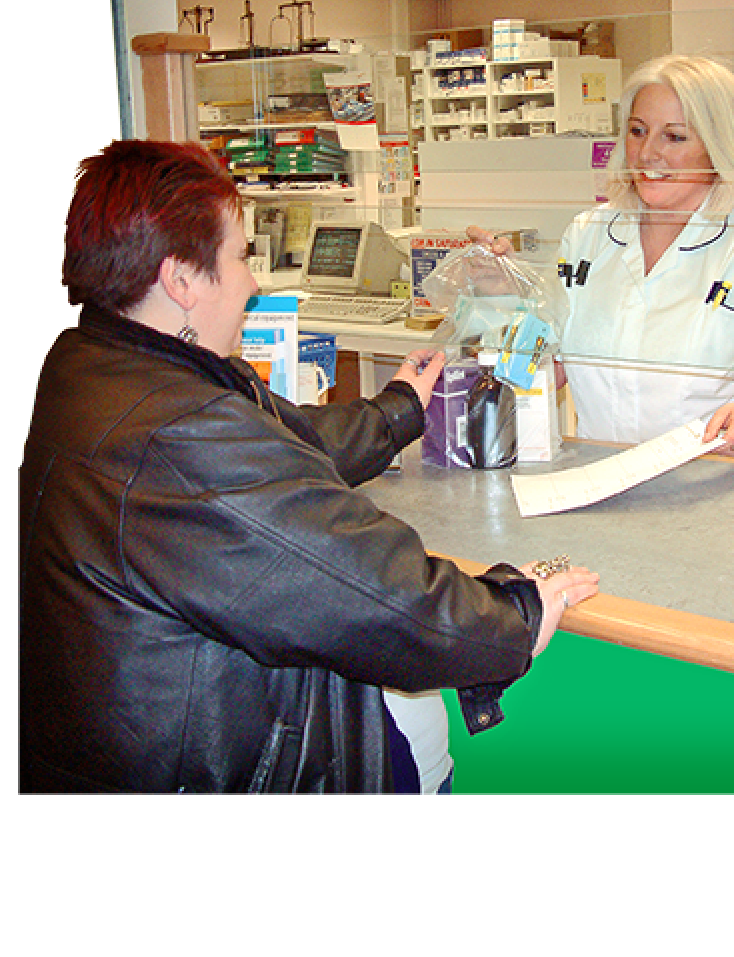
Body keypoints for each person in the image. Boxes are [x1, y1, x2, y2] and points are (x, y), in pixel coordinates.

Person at [18, 139, 597, 795]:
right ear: (181, 280)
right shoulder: (182, 433)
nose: (253, 283)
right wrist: (513, 614)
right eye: (239, 258)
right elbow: (373, 592)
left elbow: (279, 444)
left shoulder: (96, 365)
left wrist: (400, 408)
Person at [472, 54, 734, 461]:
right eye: (638, 131)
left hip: (714, 489)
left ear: (717, 146)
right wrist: (502, 298)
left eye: (674, 137)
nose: (647, 153)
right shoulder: (589, 235)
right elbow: (542, 371)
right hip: (603, 480)